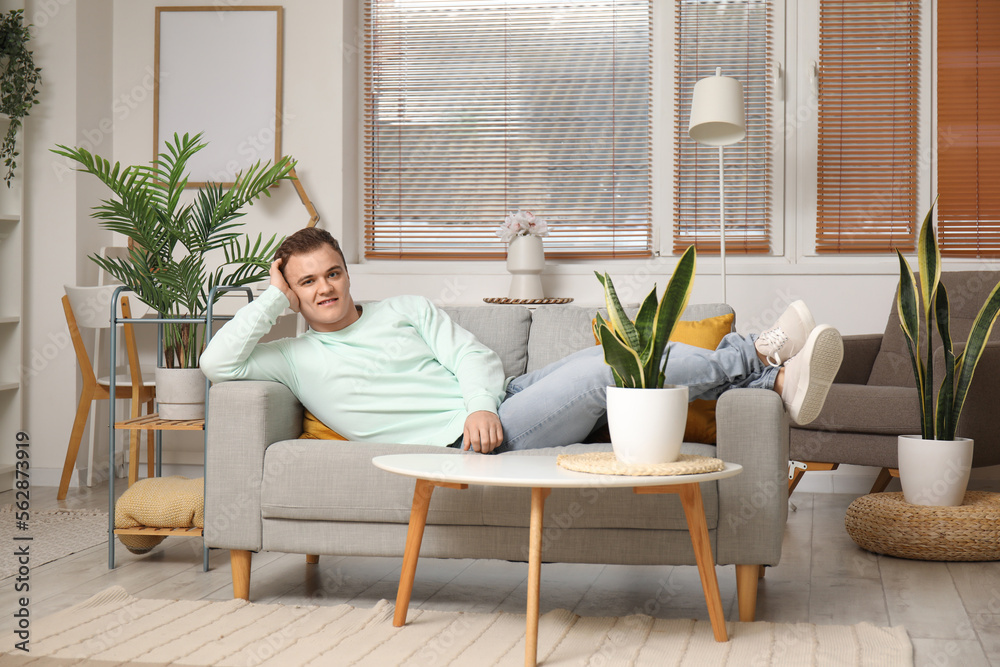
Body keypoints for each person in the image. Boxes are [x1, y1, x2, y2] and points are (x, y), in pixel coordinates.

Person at [200, 227, 844, 454]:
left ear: (347, 272)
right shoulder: (290, 358)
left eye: (332, 272)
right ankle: (759, 357)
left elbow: (471, 357)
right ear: (291, 292)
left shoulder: (402, 308)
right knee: (603, 374)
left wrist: (482, 402)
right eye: (307, 283)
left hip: (501, 405)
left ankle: (770, 375)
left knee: (605, 356)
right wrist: (270, 297)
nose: (324, 289)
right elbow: (215, 363)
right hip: (473, 441)